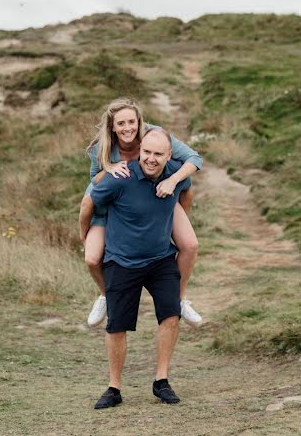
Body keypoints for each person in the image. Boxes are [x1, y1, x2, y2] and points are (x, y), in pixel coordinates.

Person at [80, 128, 190, 408]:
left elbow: (186, 192)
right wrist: (86, 235)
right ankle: (113, 388)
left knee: (171, 315)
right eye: (147, 152)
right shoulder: (120, 177)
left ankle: (161, 381)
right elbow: (89, 203)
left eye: (158, 154)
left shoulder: (176, 174)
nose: (151, 159)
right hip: (122, 261)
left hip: (161, 259)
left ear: (169, 156)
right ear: (140, 151)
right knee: (116, 325)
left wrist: (179, 220)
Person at [78, 98, 203, 328]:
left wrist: (174, 180)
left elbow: (195, 159)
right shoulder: (101, 146)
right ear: (112, 127)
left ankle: (180, 299)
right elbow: (94, 180)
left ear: (139, 121)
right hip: (111, 199)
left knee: (190, 245)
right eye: (121, 123)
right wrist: (109, 168)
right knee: (92, 258)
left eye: (131, 122)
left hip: (154, 197)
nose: (127, 128)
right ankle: (105, 295)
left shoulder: (154, 136)